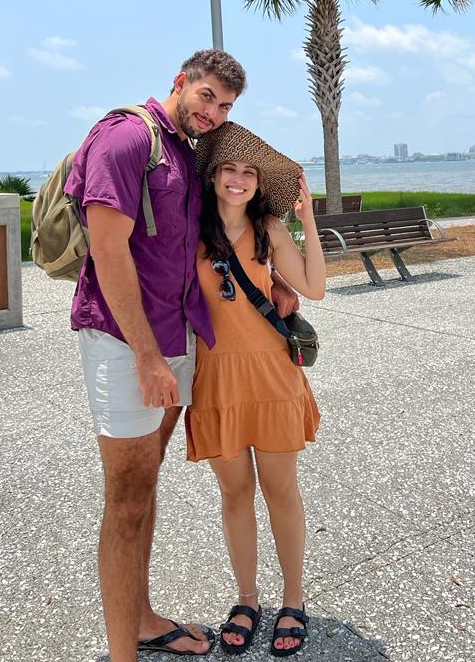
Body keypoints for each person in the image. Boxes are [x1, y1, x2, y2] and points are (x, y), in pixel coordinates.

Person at [65, 51, 300, 662]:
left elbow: (206, 238)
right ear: (180, 82)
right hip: (127, 342)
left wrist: (275, 278)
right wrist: (146, 355)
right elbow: (109, 251)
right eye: (207, 98)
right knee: (126, 496)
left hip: (175, 339)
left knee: (144, 483)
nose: (213, 112)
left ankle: (140, 619)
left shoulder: (184, 153)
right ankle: (123, 654)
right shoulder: (125, 139)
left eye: (225, 106)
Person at [186, 122, 326, 657]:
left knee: (281, 490)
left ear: (257, 182)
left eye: (248, 172)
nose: (238, 179)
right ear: (214, 176)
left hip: (271, 375)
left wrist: (308, 222)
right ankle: (247, 598)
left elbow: (314, 286)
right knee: (234, 493)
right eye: (229, 169)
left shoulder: (269, 228)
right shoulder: (192, 231)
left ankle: (294, 600)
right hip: (215, 378)